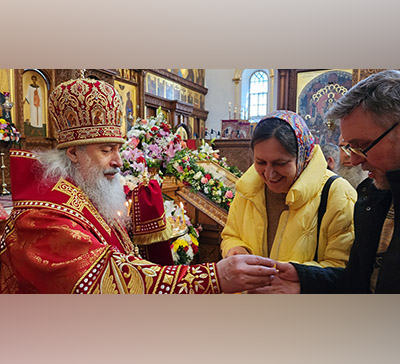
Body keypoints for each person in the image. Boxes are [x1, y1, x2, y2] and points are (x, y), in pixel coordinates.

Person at [0, 77, 277, 294]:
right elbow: (111, 279)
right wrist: (215, 277)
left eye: (118, 149)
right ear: (73, 153)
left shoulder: (87, 192)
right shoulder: (42, 219)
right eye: (107, 149)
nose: (119, 162)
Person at [250, 69, 400, 294]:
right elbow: (358, 282)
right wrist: (305, 279)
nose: (354, 158)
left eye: (363, 145)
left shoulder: (341, 192)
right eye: (349, 146)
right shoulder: (373, 196)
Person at [221, 110, 357, 268]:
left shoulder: (337, 193)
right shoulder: (248, 189)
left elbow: (341, 266)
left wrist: (296, 277)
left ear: (302, 158)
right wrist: (235, 249)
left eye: (280, 163)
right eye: (261, 162)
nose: (269, 174)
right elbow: (231, 234)